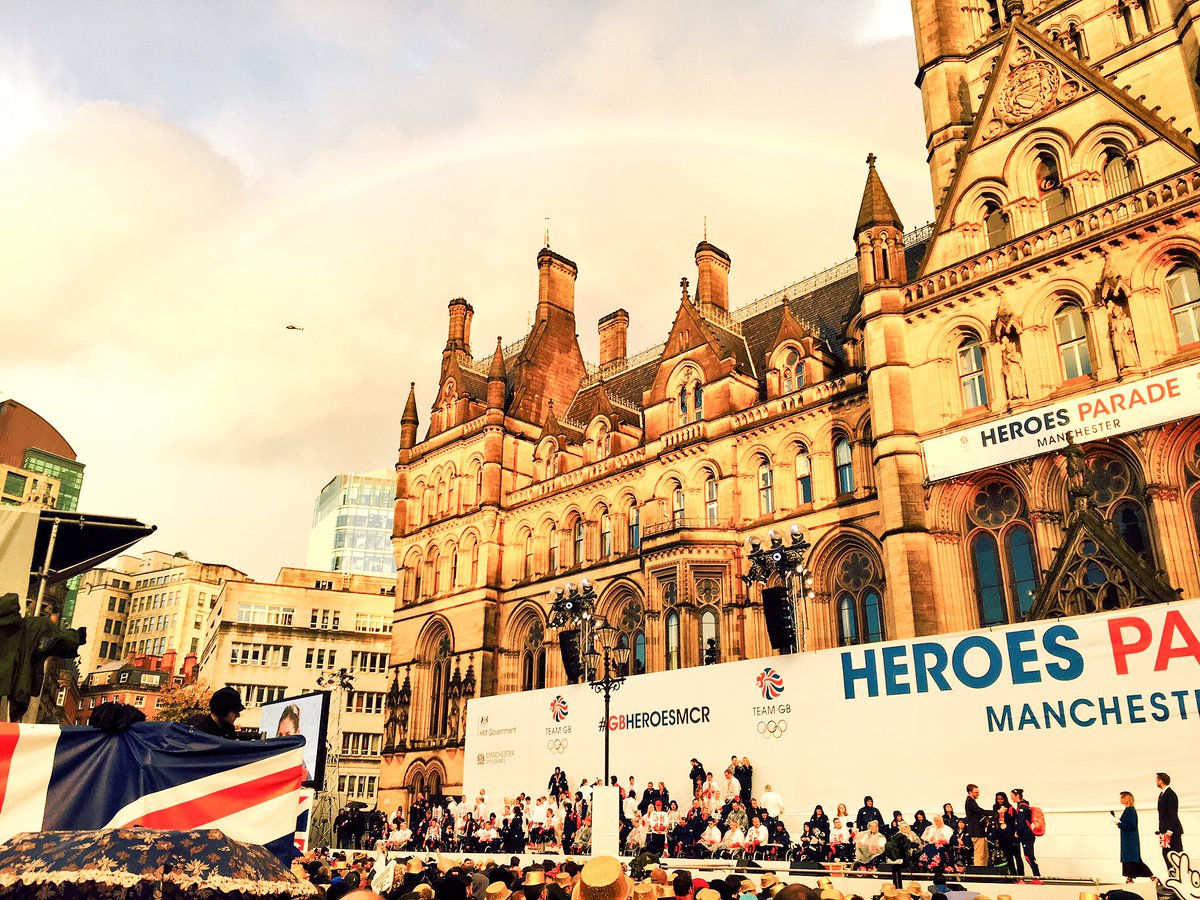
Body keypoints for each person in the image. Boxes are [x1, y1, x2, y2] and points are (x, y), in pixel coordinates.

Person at [1114, 791, 1157, 883]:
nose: (1120, 799)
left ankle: (1151, 877)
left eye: (1122, 797)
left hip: (1130, 840)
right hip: (1128, 839)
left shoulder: (1130, 810)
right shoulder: (1128, 810)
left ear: (1127, 798)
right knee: (1131, 860)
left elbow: (1132, 825)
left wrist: (1119, 824)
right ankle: (1130, 878)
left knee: (1133, 859)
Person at [1010, 788, 1041, 881]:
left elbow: (1021, 822)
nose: (1011, 798)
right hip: (1027, 835)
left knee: (1029, 856)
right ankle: (1036, 876)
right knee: (1029, 856)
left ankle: (1037, 877)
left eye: (1012, 796)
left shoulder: (1022, 808)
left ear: (1017, 796)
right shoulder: (1023, 806)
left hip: (1026, 836)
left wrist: (1017, 833)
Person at [1157, 772, 1184, 874]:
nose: (1156, 782)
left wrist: (1170, 830)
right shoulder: (1162, 794)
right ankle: (1171, 872)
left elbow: (1173, 813)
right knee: (1165, 852)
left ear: (1161, 781)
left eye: (1157, 780)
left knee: (1176, 853)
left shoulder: (1170, 794)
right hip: (1164, 830)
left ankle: (1180, 873)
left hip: (1171, 831)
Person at [992, 791, 1019, 875]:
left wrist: (1014, 833)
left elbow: (1015, 821)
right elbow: (995, 822)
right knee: (1006, 857)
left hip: (1010, 835)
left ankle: (1017, 875)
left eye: (1001, 799)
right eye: (998, 799)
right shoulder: (995, 808)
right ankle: (1009, 874)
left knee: (1015, 856)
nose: (1000, 801)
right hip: (1001, 836)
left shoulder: (1010, 808)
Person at [964, 784, 988, 867]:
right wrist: (997, 812)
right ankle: (978, 871)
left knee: (984, 854)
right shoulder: (970, 801)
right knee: (979, 854)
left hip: (979, 831)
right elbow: (980, 811)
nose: (978, 794)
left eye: (978, 792)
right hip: (976, 832)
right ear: (970, 792)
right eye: (976, 792)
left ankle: (983, 870)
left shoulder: (972, 801)